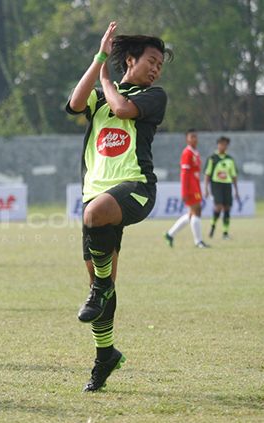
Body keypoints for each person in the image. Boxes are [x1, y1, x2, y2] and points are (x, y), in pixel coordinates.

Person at [66, 22, 172, 392]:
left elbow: (122, 109)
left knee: (96, 233)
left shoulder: (154, 96)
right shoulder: (101, 92)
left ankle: (100, 289)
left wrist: (107, 77)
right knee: (101, 280)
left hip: (136, 188)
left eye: (160, 64)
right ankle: (105, 355)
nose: (156, 68)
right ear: (131, 59)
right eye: (152, 61)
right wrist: (98, 59)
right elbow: (76, 103)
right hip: (94, 193)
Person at [164, 129, 209, 248]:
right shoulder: (187, 153)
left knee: (191, 213)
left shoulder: (195, 152)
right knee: (197, 211)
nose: (194, 139)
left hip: (196, 185)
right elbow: (184, 173)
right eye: (192, 137)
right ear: (187, 139)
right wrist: (184, 191)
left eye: (195, 136)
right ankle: (198, 241)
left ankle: (170, 234)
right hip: (190, 187)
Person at [204, 136, 239, 240]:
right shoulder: (212, 158)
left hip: (227, 185)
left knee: (227, 208)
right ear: (218, 144)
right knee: (218, 207)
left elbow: (234, 175)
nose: (223, 146)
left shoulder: (230, 159)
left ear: (227, 146)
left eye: (225, 144)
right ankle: (213, 226)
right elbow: (207, 174)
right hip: (216, 185)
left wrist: (236, 190)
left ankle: (225, 232)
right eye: (221, 144)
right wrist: (206, 188)